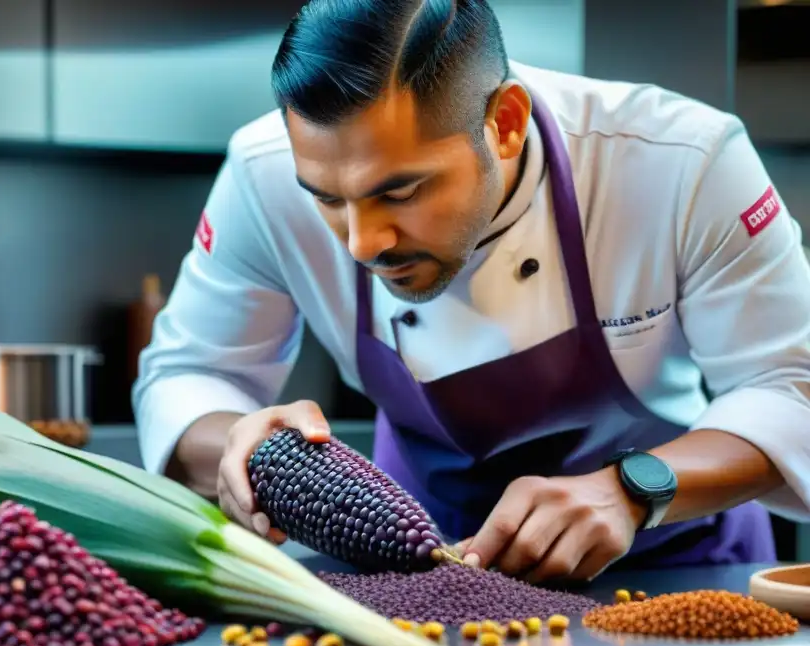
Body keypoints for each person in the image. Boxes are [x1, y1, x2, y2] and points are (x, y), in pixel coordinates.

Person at [132, 0, 810, 582]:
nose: (361, 244)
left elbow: (789, 388)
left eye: (399, 191)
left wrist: (631, 493)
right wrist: (239, 445)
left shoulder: (683, 162)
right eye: (327, 200)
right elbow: (190, 375)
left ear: (506, 123)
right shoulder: (262, 175)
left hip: (680, 563)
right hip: (421, 578)